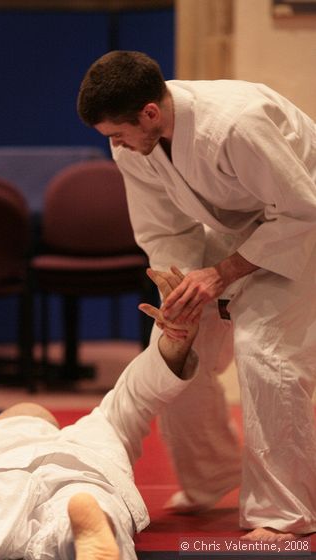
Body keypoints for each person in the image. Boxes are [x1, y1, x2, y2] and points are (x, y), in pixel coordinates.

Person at [77, 50, 316, 542]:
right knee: (176, 342)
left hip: (301, 229)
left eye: (117, 133)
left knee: (263, 350)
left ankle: (284, 514)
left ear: (150, 113)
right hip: (237, 230)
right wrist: (182, 290)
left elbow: (299, 211)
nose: (115, 145)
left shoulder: (237, 123)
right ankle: (210, 477)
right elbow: (164, 230)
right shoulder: (136, 147)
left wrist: (221, 274)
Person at [0, 268, 200, 560]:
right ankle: (93, 533)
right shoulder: (99, 428)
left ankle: (92, 530)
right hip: (84, 477)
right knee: (88, 504)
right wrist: (177, 342)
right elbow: (142, 392)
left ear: (5, 421)